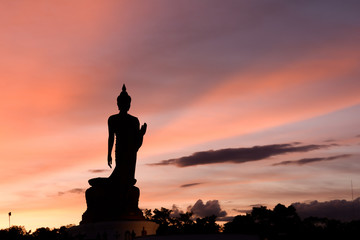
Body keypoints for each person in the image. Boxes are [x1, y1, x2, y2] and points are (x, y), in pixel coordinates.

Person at [107, 84, 147, 185]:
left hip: (130, 152)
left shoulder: (134, 121)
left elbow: (135, 144)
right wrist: (109, 154)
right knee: (120, 175)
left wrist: (141, 134)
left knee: (128, 178)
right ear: (118, 104)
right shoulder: (113, 119)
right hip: (120, 150)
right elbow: (111, 138)